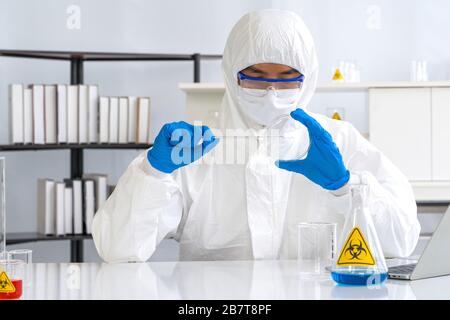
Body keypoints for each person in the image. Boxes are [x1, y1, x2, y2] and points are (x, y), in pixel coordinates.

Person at [92, 9, 420, 262]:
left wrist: (346, 187)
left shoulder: (339, 142)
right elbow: (119, 251)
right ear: (232, 73)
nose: (271, 93)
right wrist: (153, 172)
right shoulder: (196, 148)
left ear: (308, 78)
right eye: (256, 76)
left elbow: (402, 241)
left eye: (288, 78)